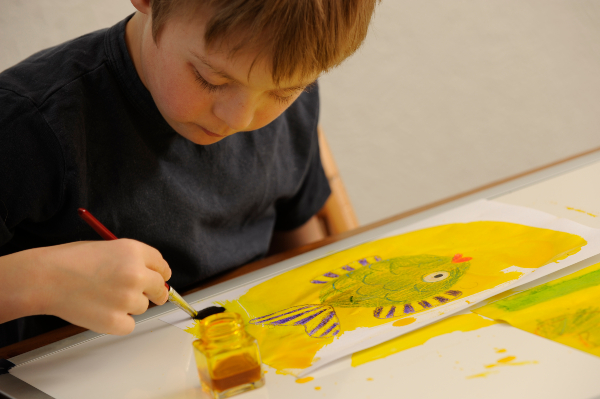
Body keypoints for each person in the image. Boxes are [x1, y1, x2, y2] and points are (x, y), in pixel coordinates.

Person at [0, 0, 379, 347]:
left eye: (282, 92)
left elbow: (303, 249)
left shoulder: (291, 106)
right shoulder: (30, 122)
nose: (240, 118)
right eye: (212, 79)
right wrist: (40, 280)